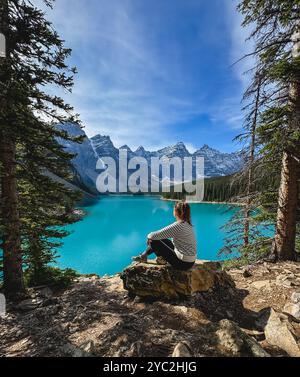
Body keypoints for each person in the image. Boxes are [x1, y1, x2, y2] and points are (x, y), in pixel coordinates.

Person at [133, 201, 196, 271]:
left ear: (176, 212)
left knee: (154, 241)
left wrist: (148, 236)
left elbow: (154, 235)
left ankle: (157, 259)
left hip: (182, 264)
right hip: (190, 261)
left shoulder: (178, 225)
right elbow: (160, 236)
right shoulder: (187, 224)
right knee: (163, 240)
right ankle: (144, 255)